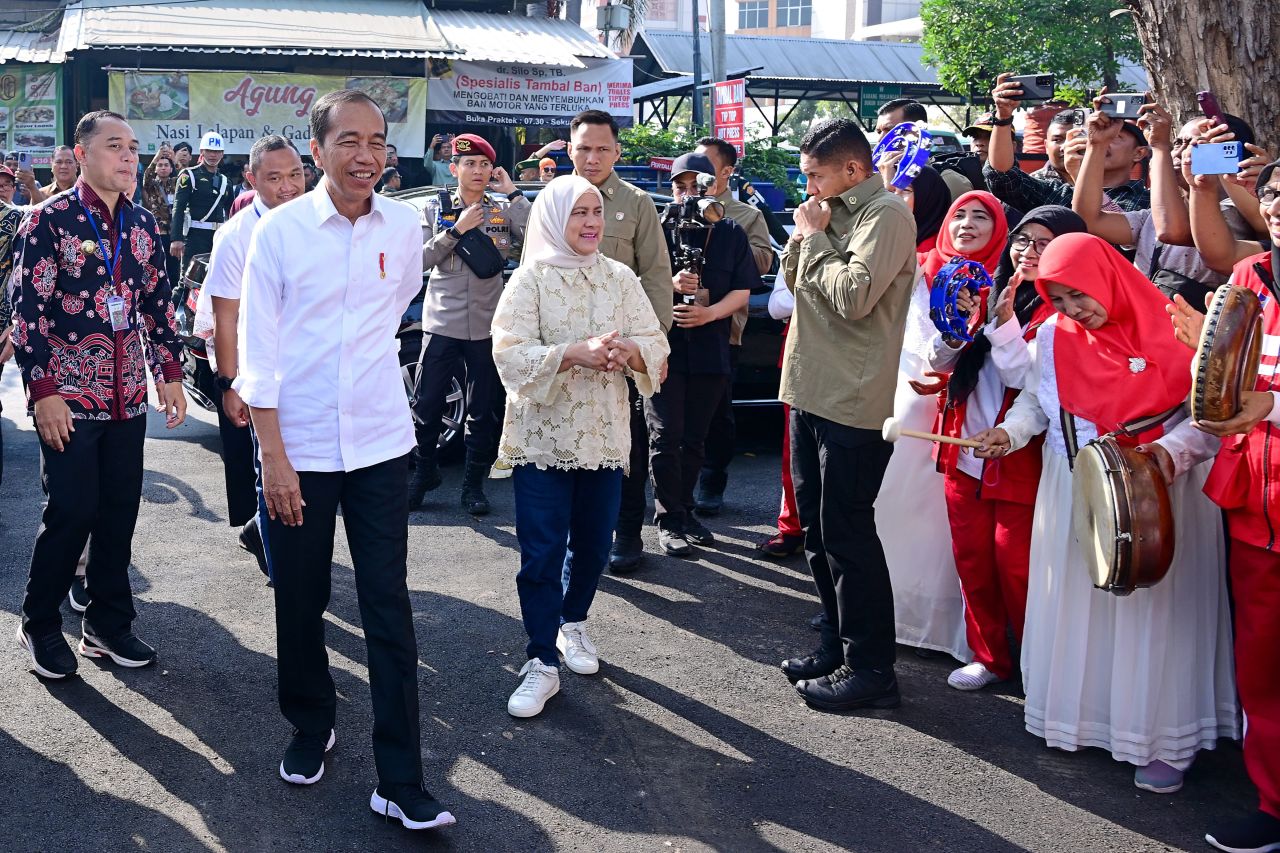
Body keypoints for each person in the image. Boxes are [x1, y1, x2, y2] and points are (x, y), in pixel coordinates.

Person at [237, 89, 455, 830]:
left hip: (379, 445)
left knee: (387, 604)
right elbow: (258, 353)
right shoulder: (280, 233)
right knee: (299, 597)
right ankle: (310, 722)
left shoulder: (405, 222)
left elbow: (394, 312)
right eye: (349, 141)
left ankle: (400, 777)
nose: (367, 156)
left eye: (377, 141)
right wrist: (273, 455)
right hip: (295, 447)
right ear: (316, 148)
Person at [971, 232, 1238, 795]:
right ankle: (1088, 719)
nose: (1073, 310)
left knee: (1155, 614)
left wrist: (1166, 457)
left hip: (1159, 495)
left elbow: (1211, 418)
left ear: (1106, 277)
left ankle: (1162, 739)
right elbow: (1037, 405)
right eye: (1060, 298)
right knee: (1080, 605)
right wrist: (1009, 433)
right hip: (1074, 488)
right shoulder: (1051, 336)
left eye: (1079, 295)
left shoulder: (1174, 328)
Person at [11, 109, 188, 680]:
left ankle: (108, 625)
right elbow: (27, 313)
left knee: (118, 513)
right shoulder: (48, 221)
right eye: (115, 146)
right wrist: (43, 392)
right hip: (67, 396)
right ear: (82, 154)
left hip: (127, 397)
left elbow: (158, 308)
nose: (129, 156)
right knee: (70, 511)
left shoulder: (142, 225)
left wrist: (170, 374)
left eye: (133, 146)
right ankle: (39, 622)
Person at [491, 174, 668, 717]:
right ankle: (540, 659)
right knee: (541, 550)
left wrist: (628, 353)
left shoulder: (619, 277)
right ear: (552, 219)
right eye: (578, 213)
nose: (592, 223)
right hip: (542, 439)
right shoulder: (530, 280)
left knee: (593, 546)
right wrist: (574, 352)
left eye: (596, 212)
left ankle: (574, 623)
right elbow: (509, 354)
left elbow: (656, 343)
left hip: (605, 437)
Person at [1157, 160, 1280, 853]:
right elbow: (1225, 400)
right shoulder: (1246, 280)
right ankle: (1273, 804)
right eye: (1274, 194)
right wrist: (1177, 445)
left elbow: (1263, 399)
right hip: (1253, 507)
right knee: (1263, 669)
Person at [779, 118, 918, 711]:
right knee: (816, 527)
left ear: (853, 171)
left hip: (854, 398)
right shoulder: (826, 214)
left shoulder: (883, 215)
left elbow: (853, 298)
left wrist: (813, 239)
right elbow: (791, 283)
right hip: (809, 385)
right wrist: (807, 239)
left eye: (816, 174)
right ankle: (836, 645)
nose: (808, 185)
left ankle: (872, 668)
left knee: (849, 536)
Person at [927, 204, 1088, 690]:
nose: (1029, 252)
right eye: (1023, 241)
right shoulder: (985, 289)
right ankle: (990, 656)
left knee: (1015, 563)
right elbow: (941, 362)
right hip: (964, 442)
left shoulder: (1065, 307)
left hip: (1023, 454)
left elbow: (1033, 384)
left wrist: (1001, 325)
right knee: (972, 558)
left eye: (1044, 243)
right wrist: (956, 326)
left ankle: (1036, 664)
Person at [877, 191, 1012, 668]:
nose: (968, 224)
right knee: (898, 508)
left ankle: (959, 632)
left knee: (956, 532)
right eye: (960, 214)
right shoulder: (920, 268)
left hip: (976, 417)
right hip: (911, 405)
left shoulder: (1008, 284)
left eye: (982, 217)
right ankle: (888, 615)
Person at [565, 109, 673, 573]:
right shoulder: (552, 199)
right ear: (569, 149)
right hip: (567, 352)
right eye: (584, 147)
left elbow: (656, 278)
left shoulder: (637, 203)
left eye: (602, 148)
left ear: (617, 151)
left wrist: (647, 348)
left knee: (624, 446)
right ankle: (576, 537)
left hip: (619, 354)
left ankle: (627, 531)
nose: (592, 157)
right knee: (566, 445)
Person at [194, 135, 305, 579]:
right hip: (255, 371)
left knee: (299, 467)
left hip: (303, 368)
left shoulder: (315, 220)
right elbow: (224, 317)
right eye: (275, 178)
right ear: (251, 179)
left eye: (295, 174)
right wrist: (229, 383)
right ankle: (282, 565)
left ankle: (262, 529)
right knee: (267, 464)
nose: (288, 186)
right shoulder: (237, 234)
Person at [410, 133, 530, 515]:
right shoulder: (434, 207)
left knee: (482, 409)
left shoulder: (501, 209)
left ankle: (472, 485)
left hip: (486, 324)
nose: (476, 171)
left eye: (483, 164)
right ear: (454, 168)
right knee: (427, 403)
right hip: (441, 321)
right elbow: (419, 260)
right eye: (469, 164)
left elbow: (536, 238)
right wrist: (457, 230)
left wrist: (513, 194)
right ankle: (423, 472)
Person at [646, 152, 756, 555]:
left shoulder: (729, 232)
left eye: (697, 186)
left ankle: (685, 510)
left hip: (711, 348)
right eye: (681, 186)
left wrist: (709, 312)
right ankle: (667, 518)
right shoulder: (657, 228)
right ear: (671, 188)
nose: (688, 194)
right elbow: (635, 283)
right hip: (665, 349)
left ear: (713, 187)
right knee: (665, 435)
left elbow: (744, 291)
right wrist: (668, 281)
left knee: (696, 438)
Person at [689, 135, 774, 517]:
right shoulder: (674, 208)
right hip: (676, 322)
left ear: (726, 172)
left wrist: (722, 235)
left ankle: (713, 478)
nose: (700, 173)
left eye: (707, 166)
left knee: (716, 410)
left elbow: (762, 264)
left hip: (725, 324)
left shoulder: (745, 216)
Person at [1072, 99, 1228, 299]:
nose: (1181, 152)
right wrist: (1097, 144)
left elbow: (1171, 230)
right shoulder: (1148, 218)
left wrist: (1160, 146)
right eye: (1178, 143)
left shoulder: (1237, 216)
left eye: (1197, 144)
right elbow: (1088, 220)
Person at [984, 74, 1151, 213]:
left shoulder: (1148, 202)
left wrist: (1080, 176)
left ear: (1139, 153)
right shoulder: (1058, 192)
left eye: (1114, 137)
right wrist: (1003, 117)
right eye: (1096, 134)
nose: (1101, 141)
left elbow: (1117, 235)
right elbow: (1003, 178)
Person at [170, 131, 232, 268]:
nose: (213, 155)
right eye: (209, 151)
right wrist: (176, 238)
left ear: (222, 154)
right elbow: (178, 208)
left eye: (217, 151)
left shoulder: (225, 181)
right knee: (188, 282)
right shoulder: (189, 175)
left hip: (219, 238)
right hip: (195, 238)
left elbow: (232, 213)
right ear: (201, 152)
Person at [141, 152, 180, 286]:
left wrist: (174, 159)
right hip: (158, 231)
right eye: (160, 165)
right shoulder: (151, 184)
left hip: (174, 232)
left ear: (171, 168)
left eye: (166, 165)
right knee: (158, 266)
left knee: (175, 268)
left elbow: (184, 173)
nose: (163, 168)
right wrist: (157, 156)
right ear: (156, 168)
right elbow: (147, 174)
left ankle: (173, 296)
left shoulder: (177, 182)